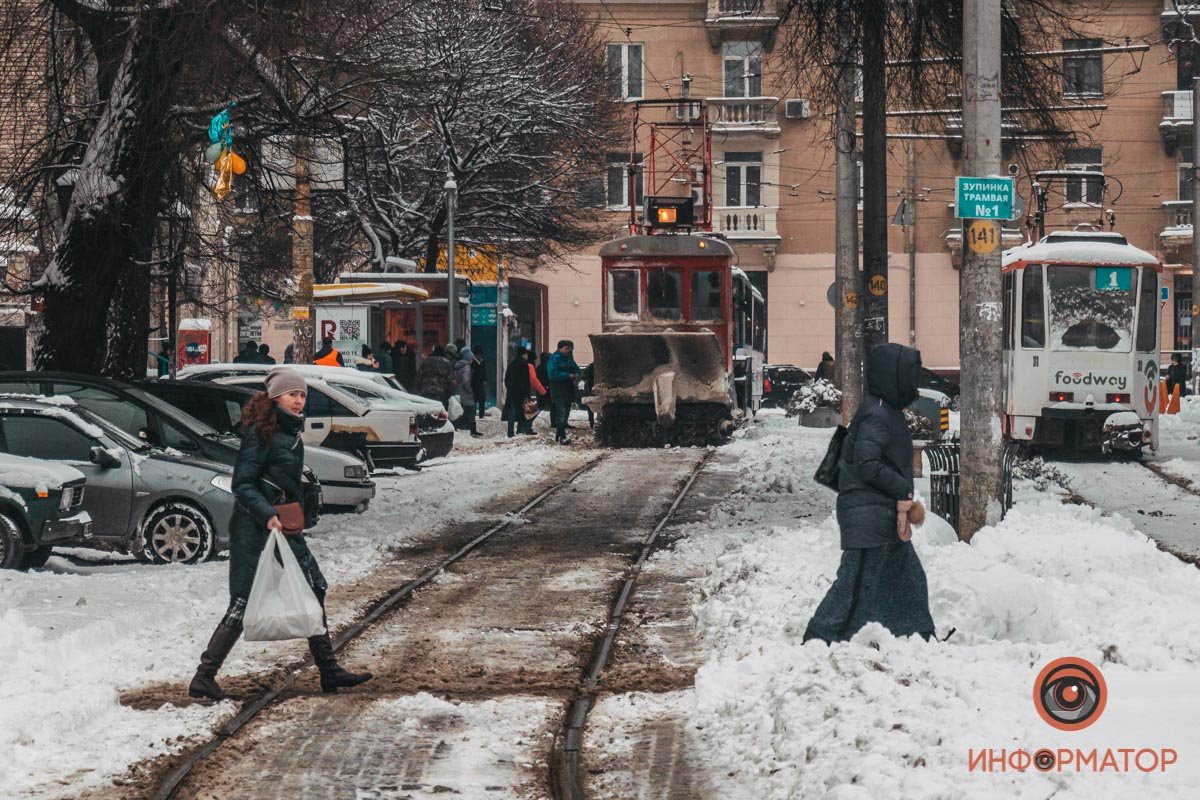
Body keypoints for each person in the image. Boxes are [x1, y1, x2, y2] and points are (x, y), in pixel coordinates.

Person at [189, 368, 372, 700]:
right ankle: (204, 676)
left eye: (303, 395)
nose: (299, 400)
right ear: (275, 397)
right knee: (243, 602)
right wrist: (267, 513)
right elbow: (242, 483)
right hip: (254, 529)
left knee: (314, 587)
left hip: (284, 526)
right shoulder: (261, 432)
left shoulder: (291, 434)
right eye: (293, 394)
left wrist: (301, 508)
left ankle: (329, 671)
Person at [802, 343, 935, 645]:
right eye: (909, 376)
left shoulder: (883, 409)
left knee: (909, 580)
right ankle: (819, 639)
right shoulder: (878, 414)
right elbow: (866, 463)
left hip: (879, 514)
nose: (913, 384)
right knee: (853, 584)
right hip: (868, 515)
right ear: (894, 377)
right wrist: (902, 487)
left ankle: (918, 636)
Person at [547, 340, 581, 444]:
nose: (568, 351)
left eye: (569, 349)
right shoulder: (554, 359)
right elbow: (552, 374)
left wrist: (576, 374)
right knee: (561, 413)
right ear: (560, 348)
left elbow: (577, 369)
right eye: (566, 348)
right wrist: (568, 376)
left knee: (565, 413)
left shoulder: (569, 358)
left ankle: (559, 435)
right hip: (558, 390)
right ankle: (562, 436)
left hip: (568, 390)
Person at [453, 346, 481, 437]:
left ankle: (456, 427)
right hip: (466, 393)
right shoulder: (466, 367)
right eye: (471, 357)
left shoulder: (458, 365)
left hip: (458, 391)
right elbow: (466, 381)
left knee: (459, 411)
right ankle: (473, 430)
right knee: (471, 410)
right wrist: (470, 390)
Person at [471, 348, 488, 418]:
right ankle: (473, 413)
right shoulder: (472, 362)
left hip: (481, 383)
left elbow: (485, 372)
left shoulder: (483, 362)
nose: (479, 356)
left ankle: (481, 414)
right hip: (474, 383)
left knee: (482, 399)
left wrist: (485, 379)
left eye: (480, 355)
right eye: (478, 354)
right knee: (473, 399)